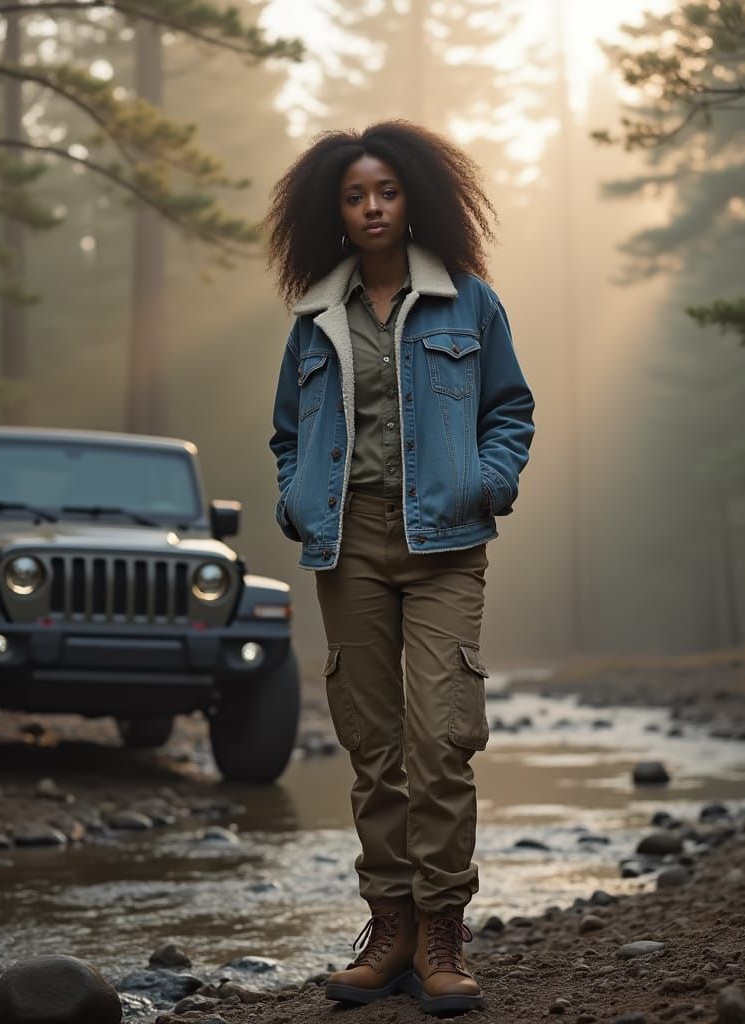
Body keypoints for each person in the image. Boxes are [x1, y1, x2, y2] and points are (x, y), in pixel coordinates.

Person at [265, 120, 534, 1016]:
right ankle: (389, 934)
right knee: (374, 750)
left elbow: (510, 409)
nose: (372, 207)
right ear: (332, 211)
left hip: (445, 548)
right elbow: (286, 435)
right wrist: (295, 499)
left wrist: (485, 485)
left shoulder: (469, 301)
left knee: (441, 741)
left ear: (414, 195)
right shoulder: (313, 316)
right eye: (354, 195)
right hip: (345, 547)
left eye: (386, 190)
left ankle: (444, 934)